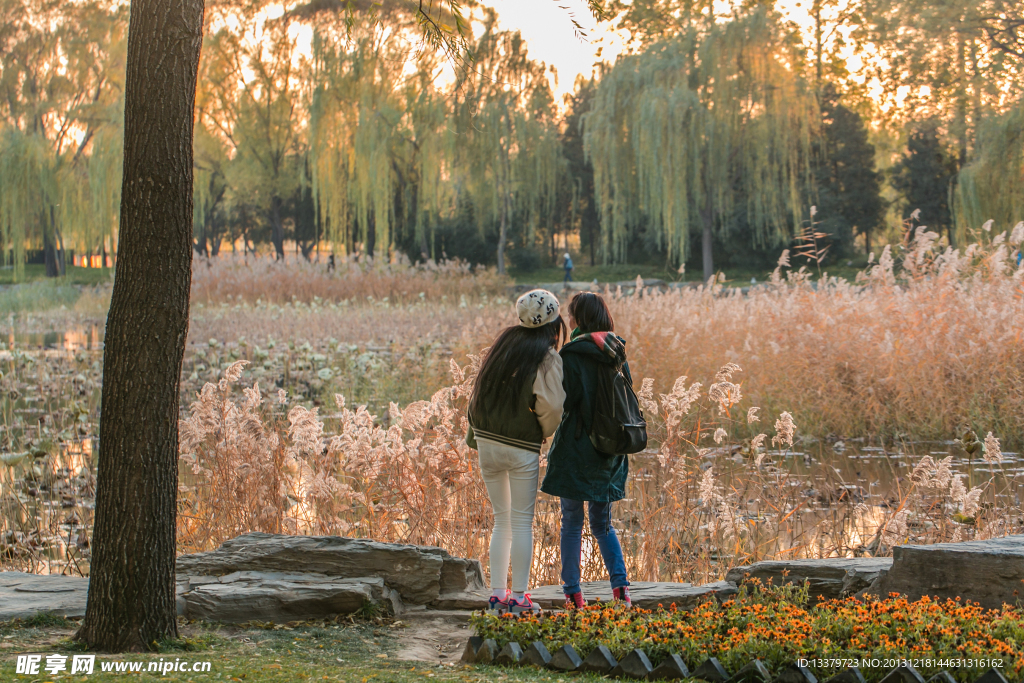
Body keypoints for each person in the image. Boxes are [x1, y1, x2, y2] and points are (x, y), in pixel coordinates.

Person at [466, 289, 566, 614]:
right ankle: (521, 598)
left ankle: (496, 596)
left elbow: (478, 392)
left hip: (487, 443)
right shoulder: (547, 356)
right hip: (520, 447)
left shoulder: (503, 345)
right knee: (523, 522)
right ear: (554, 322)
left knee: (500, 521)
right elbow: (552, 406)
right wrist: (544, 430)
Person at [541, 292, 632, 609]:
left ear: (579, 319)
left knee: (571, 522)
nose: (567, 319)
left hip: (577, 450)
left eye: (570, 314)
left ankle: (573, 594)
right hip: (609, 451)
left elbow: (567, 402)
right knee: (602, 524)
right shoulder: (616, 351)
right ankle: (621, 591)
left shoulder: (573, 354)